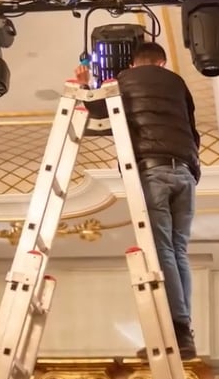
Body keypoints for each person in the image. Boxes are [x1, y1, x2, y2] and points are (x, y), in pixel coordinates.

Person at [74, 42, 201, 360]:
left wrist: (85, 84)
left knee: (162, 250)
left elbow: (98, 113)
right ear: (162, 62)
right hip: (185, 173)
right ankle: (183, 330)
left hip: (151, 170)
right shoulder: (177, 83)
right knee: (178, 250)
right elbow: (193, 131)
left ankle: (178, 330)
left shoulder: (124, 80)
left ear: (132, 63)